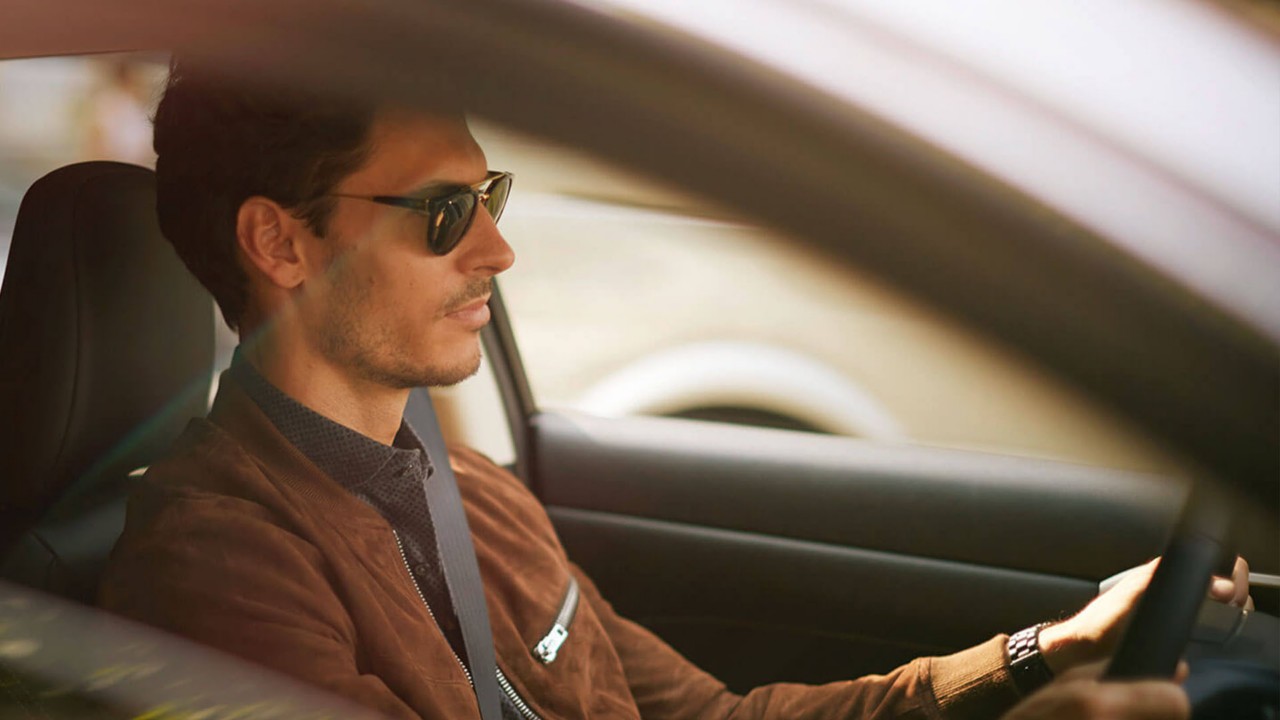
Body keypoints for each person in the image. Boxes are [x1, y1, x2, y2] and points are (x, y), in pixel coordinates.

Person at [98, 62, 1250, 720]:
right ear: (279, 244)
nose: (498, 251)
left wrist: (1038, 653)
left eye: (491, 194)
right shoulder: (215, 570)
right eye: (445, 212)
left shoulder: (478, 496)